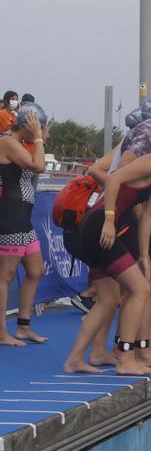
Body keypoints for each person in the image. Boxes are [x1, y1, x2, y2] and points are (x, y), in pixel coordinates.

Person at [65, 119, 151, 375]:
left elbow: (147, 215)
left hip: (106, 227)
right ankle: (126, 358)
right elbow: (113, 180)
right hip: (99, 228)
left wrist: (145, 255)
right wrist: (108, 220)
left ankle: (75, 359)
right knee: (140, 288)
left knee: (108, 299)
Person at [0, 103, 49, 345]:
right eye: (39, 127)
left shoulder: (18, 144)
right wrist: (39, 138)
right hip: (11, 216)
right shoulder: (8, 141)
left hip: (22, 218)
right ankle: (1, 333)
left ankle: (23, 326)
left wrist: (39, 138)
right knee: (5, 276)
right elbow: (38, 166)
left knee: (34, 270)